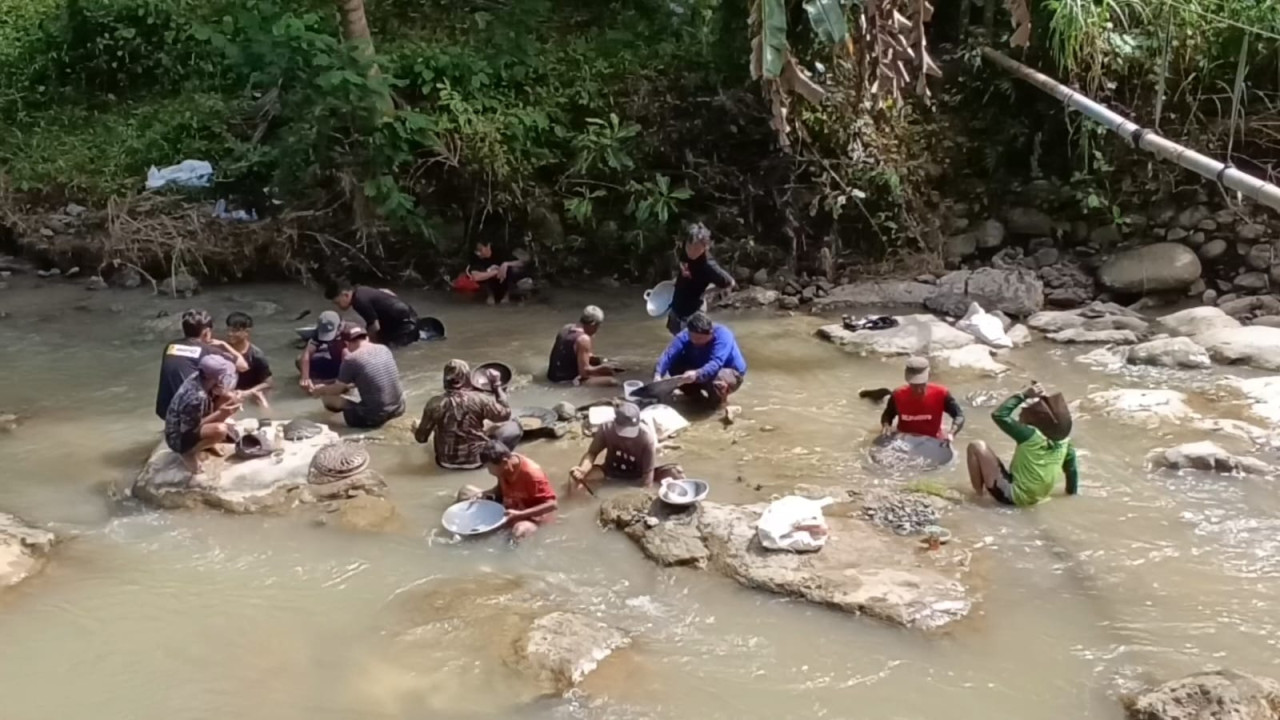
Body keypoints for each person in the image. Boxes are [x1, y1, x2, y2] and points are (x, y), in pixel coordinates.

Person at [966, 383, 1080, 507]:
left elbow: (999, 415)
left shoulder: (1030, 436)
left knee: (976, 446)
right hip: (1039, 498)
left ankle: (978, 496)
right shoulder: (1064, 442)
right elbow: (1072, 471)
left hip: (1012, 497)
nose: (1021, 414)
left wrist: (1023, 395)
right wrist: (1071, 494)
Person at [414, 359, 523, 470]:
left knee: (439, 427)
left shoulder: (434, 403)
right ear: (467, 377)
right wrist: (496, 385)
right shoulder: (479, 399)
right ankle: (501, 463)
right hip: (477, 461)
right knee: (515, 426)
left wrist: (418, 429)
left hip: (444, 463)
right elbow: (505, 414)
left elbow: (421, 439)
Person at [566, 402, 682, 495]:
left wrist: (643, 495)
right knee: (575, 479)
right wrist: (583, 470)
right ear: (615, 422)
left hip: (639, 475)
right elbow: (592, 453)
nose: (627, 436)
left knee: (676, 474)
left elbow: (648, 474)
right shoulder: (606, 429)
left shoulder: (646, 437)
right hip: (610, 471)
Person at [154, 309, 248, 420]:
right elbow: (243, 366)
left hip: (165, 410)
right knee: (230, 373)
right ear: (206, 332)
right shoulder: (207, 351)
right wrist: (224, 345)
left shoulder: (170, 346)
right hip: (190, 412)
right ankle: (215, 422)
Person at [308, 325, 406, 428]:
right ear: (366, 338)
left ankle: (336, 425)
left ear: (347, 343)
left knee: (328, 398)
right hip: (399, 409)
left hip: (375, 417)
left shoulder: (351, 359)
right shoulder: (384, 349)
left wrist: (321, 390)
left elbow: (337, 389)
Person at [460, 440, 558, 541]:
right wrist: (484, 494)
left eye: (490, 468)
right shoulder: (504, 466)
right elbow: (501, 489)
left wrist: (520, 514)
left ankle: (507, 549)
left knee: (520, 530)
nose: (489, 472)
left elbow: (552, 505)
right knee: (466, 492)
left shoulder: (532, 475)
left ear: (505, 463)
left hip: (530, 516)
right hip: (509, 508)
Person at [653, 312, 747, 415]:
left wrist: (696, 374)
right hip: (700, 368)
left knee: (717, 379)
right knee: (674, 366)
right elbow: (668, 355)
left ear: (711, 333)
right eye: (694, 338)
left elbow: (716, 363)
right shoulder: (684, 335)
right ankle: (696, 398)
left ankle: (720, 406)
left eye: (701, 338)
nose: (697, 341)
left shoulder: (723, 335)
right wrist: (658, 375)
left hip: (731, 373)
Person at [164, 355, 242, 474]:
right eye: (222, 375)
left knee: (230, 398)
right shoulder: (195, 398)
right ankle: (188, 453)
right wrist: (221, 413)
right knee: (220, 430)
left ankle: (209, 443)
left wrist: (228, 395)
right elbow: (189, 428)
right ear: (211, 377)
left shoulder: (201, 378)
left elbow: (220, 394)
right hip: (179, 435)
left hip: (193, 419)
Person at [666, 222, 735, 336]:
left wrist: (707, 292)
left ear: (705, 247)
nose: (691, 251)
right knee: (675, 339)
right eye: (689, 246)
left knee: (692, 344)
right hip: (677, 309)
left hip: (692, 316)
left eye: (697, 248)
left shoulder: (708, 265)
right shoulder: (684, 251)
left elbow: (730, 283)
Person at [879, 357, 965, 443]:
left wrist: (952, 432)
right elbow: (887, 415)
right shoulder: (897, 395)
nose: (919, 390)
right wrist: (886, 426)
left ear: (928, 377)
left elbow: (959, 415)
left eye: (922, 384)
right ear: (908, 381)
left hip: (933, 440)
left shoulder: (942, 394)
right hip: (903, 440)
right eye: (914, 385)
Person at [325, 281, 420, 348]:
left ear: (345, 295)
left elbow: (374, 326)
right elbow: (387, 292)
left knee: (392, 350)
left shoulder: (358, 302)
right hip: (407, 316)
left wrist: (369, 346)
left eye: (337, 303)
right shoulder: (362, 290)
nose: (338, 307)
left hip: (405, 326)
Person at [546, 305, 623, 386]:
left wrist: (600, 361)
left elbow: (572, 353)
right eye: (598, 326)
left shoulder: (565, 328)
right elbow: (584, 373)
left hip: (552, 377)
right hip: (567, 381)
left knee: (598, 364)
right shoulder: (583, 339)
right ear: (593, 324)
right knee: (613, 382)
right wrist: (602, 369)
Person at [225, 312, 272, 406]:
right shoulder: (222, 350)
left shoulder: (256, 355)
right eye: (228, 330)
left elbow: (268, 383)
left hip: (250, 393)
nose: (230, 334)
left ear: (247, 332)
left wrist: (247, 393)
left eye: (235, 331)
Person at [297, 311, 347, 390]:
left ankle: (337, 379)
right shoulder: (319, 332)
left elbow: (351, 356)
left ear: (339, 326)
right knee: (299, 360)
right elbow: (307, 353)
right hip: (334, 360)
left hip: (351, 363)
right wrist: (305, 377)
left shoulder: (349, 330)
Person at [467, 240, 528, 304]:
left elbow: (522, 263)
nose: (478, 253)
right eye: (476, 251)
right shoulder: (476, 258)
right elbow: (475, 276)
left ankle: (507, 294)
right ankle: (490, 295)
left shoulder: (500, 251)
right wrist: (495, 272)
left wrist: (506, 264)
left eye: (480, 250)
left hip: (506, 280)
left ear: (488, 246)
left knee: (514, 269)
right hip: (490, 282)